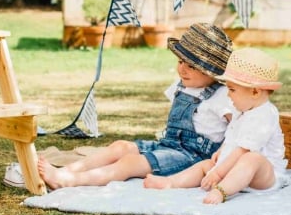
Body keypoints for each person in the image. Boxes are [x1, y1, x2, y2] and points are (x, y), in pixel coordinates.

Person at [38, 23, 233, 189]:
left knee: (130, 163)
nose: (182, 69)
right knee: (120, 147)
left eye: (191, 66)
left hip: (193, 158)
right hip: (168, 146)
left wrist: (224, 152)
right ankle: (67, 171)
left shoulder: (222, 95)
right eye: (181, 61)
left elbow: (237, 126)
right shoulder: (181, 85)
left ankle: (70, 181)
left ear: (212, 72)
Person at [143, 48, 289, 203]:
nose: (227, 94)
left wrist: (218, 174)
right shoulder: (243, 109)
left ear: (255, 92)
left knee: (252, 159)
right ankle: (171, 182)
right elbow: (233, 136)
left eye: (232, 89)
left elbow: (242, 150)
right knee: (206, 164)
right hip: (233, 170)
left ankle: (221, 192)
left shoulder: (264, 115)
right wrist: (221, 150)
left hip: (262, 178)